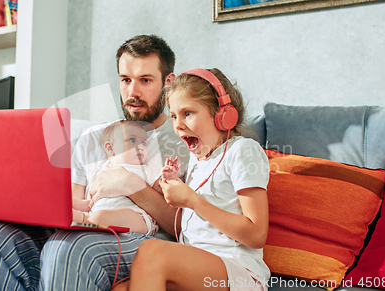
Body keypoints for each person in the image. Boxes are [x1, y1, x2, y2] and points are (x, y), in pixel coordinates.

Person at [0, 35, 189, 291]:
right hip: (84, 231)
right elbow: (70, 211)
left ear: (169, 83)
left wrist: (131, 185)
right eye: (125, 80)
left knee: (67, 248)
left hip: (144, 239)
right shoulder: (94, 138)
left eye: (145, 80)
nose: (132, 92)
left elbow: (185, 228)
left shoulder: (186, 143)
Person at [113, 68, 270, 291]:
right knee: (121, 288)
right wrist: (169, 185)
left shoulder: (242, 150)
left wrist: (193, 201)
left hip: (239, 271)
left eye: (188, 113)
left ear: (222, 114)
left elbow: (256, 235)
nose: (178, 125)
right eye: (174, 116)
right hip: (198, 267)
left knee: (152, 252)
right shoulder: (199, 158)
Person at [72, 120, 181, 236]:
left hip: (137, 217)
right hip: (96, 214)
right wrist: (77, 204)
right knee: (73, 210)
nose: (140, 147)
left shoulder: (145, 170)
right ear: (110, 149)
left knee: (100, 217)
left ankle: (85, 221)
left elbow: (162, 190)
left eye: (144, 144)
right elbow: (91, 198)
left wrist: (168, 178)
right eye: (132, 140)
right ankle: (83, 219)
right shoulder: (102, 171)